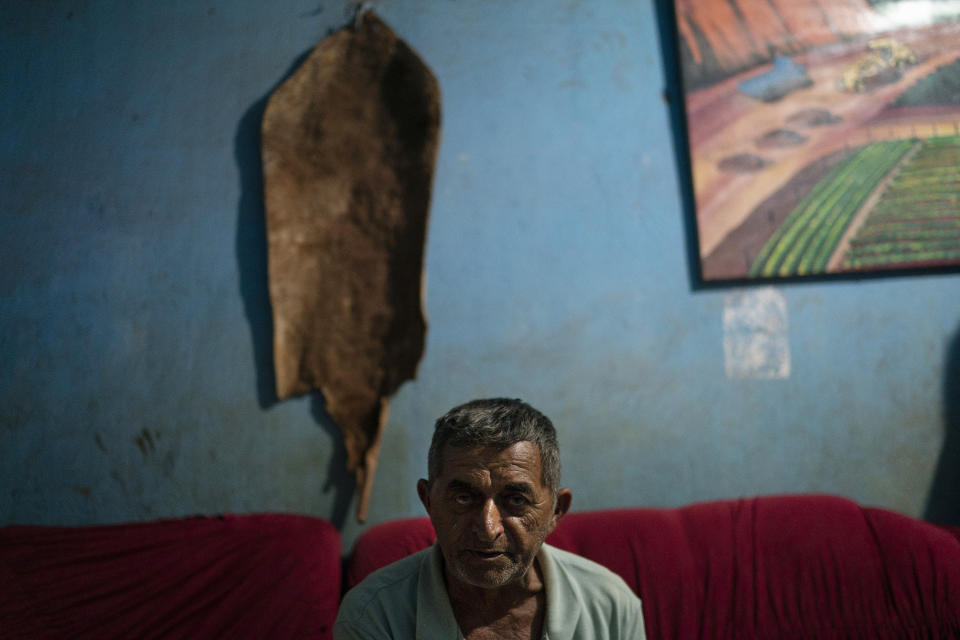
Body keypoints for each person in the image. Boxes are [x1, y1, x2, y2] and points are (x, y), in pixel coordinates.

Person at [334, 398, 647, 639]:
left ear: (556, 511)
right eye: (463, 498)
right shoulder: (373, 614)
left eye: (515, 500)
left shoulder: (610, 605)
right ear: (429, 501)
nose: (487, 529)